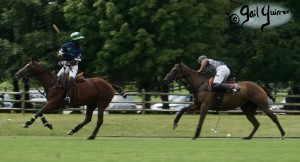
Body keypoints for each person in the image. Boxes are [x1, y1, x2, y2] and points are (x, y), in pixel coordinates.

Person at [57, 32, 85, 104]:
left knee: (71, 80)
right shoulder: (66, 46)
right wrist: (60, 55)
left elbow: (75, 61)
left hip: (74, 66)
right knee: (57, 77)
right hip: (66, 66)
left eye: (79, 39)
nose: (79, 41)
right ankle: (58, 94)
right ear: (73, 40)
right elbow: (59, 54)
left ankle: (68, 97)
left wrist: (65, 63)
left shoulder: (79, 49)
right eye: (77, 40)